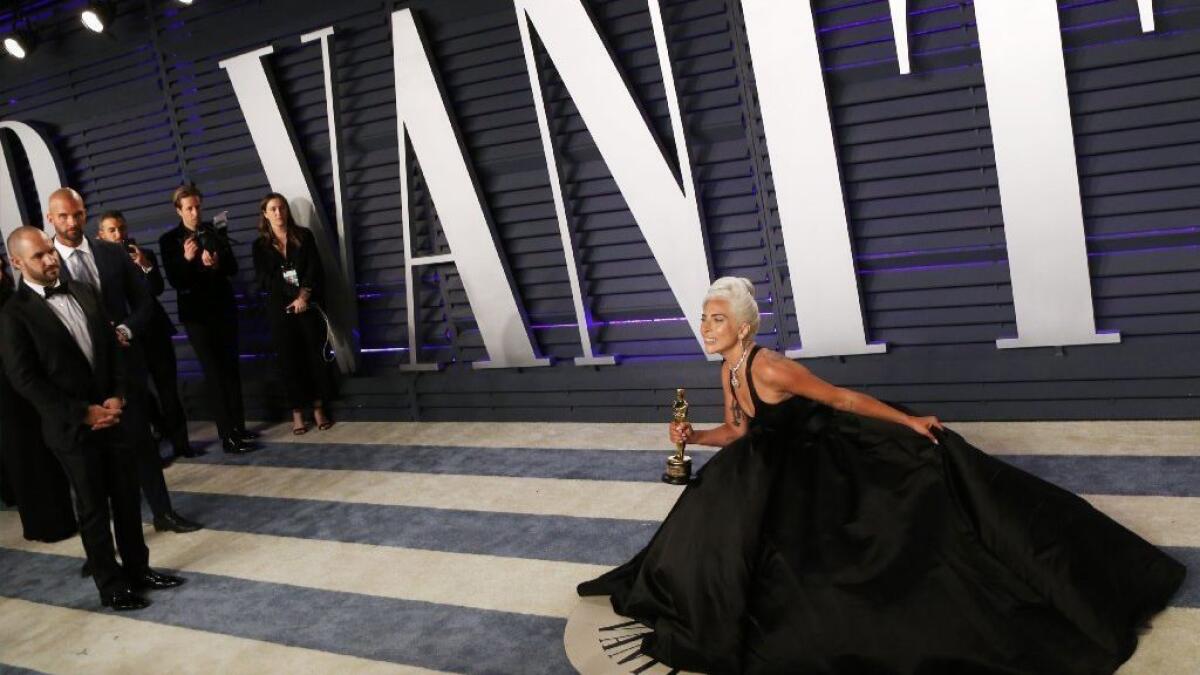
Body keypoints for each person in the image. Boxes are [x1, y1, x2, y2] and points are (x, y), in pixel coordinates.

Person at [578, 276, 1186, 674]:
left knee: (832, 563)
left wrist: (906, 419)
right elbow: (738, 432)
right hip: (760, 466)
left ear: (742, 327)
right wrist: (693, 437)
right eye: (704, 318)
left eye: (715, 319)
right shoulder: (727, 371)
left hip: (817, 459)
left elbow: (841, 398)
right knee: (706, 531)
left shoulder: (772, 368)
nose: (705, 326)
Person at [0, 227, 186, 611]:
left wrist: (117, 396)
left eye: (50, 251)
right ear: (17, 263)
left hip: (113, 414)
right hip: (71, 428)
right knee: (93, 510)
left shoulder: (84, 291)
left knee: (127, 499)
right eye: (39, 256)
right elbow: (25, 379)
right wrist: (84, 413)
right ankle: (111, 585)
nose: (51, 259)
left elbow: (113, 350)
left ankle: (139, 570)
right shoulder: (13, 314)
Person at [48, 189, 201, 535]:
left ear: (85, 214)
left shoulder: (112, 253)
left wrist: (127, 330)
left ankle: (163, 513)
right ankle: (100, 542)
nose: (72, 222)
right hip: (79, 377)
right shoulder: (46, 263)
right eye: (63, 216)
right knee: (92, 464)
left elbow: (145, 302)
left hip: (124, 365)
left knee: (142, 444)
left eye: (77, 214)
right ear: (50, 218)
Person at [158, 184, 255, 454]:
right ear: (178, 210)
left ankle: (239, 427)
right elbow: (176, 282)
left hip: (223, 309)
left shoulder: (214, 231)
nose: (194, 212)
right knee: (214, 374)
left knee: (231, 371)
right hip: (197, 317)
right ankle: (227, 436)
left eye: (197, 206)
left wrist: (216, 264)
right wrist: (188, 259)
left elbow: (233, 267)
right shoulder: (169, 241)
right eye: (188, 208)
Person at [98, 210, 197, 462]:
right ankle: (157, 440)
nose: (118, 234)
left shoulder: (145, 255)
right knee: (140, 396)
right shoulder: (98, 265)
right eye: (112, 230)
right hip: (126, 339)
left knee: (169, 392)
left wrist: (145, 265)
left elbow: (157, 289)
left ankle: (181, 443)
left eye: (121, 228)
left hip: (155, 332)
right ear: (101, 235)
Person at [0, 245, 77, 543]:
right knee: (23, 456)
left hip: (29, 383)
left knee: (45, 454)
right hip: (7, 392)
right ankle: (45, 524)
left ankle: (61, 517)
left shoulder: (13, 299)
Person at [251, 193, 335, 434]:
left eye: (282, 208)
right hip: (281, 310)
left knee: (313, 358)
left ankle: (318, 408)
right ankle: (297, 412)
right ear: (265, 214)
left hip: (307, 306)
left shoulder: (303, 236)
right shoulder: (260, 246)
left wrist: (303, 296)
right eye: (273, 209)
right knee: (289, 361)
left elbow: (314, 268)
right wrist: (292, 295)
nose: (279, 213)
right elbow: (266, 279)